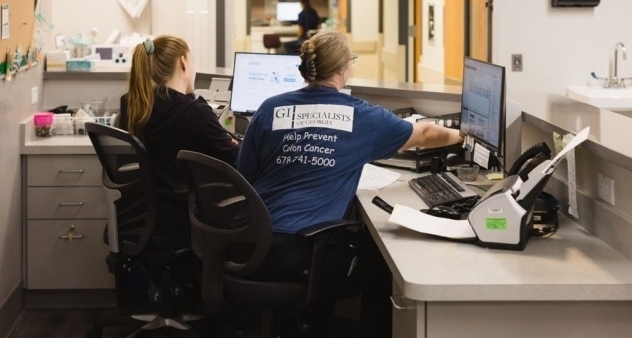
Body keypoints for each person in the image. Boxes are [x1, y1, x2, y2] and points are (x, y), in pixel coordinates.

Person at [236, 30, 463, 337]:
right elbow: (423, 134)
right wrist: (464, 136)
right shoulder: (362, 117)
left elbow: (244, 175)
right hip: (302, 250)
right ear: (344, 69)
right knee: (379, 261)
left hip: (249, 243)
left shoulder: (268, 108)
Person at [123, 35, 239, 239]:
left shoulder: (134, 104)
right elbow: (237, 159)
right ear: (183, 62)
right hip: (184, 216)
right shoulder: (193, 112)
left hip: (149, 214)